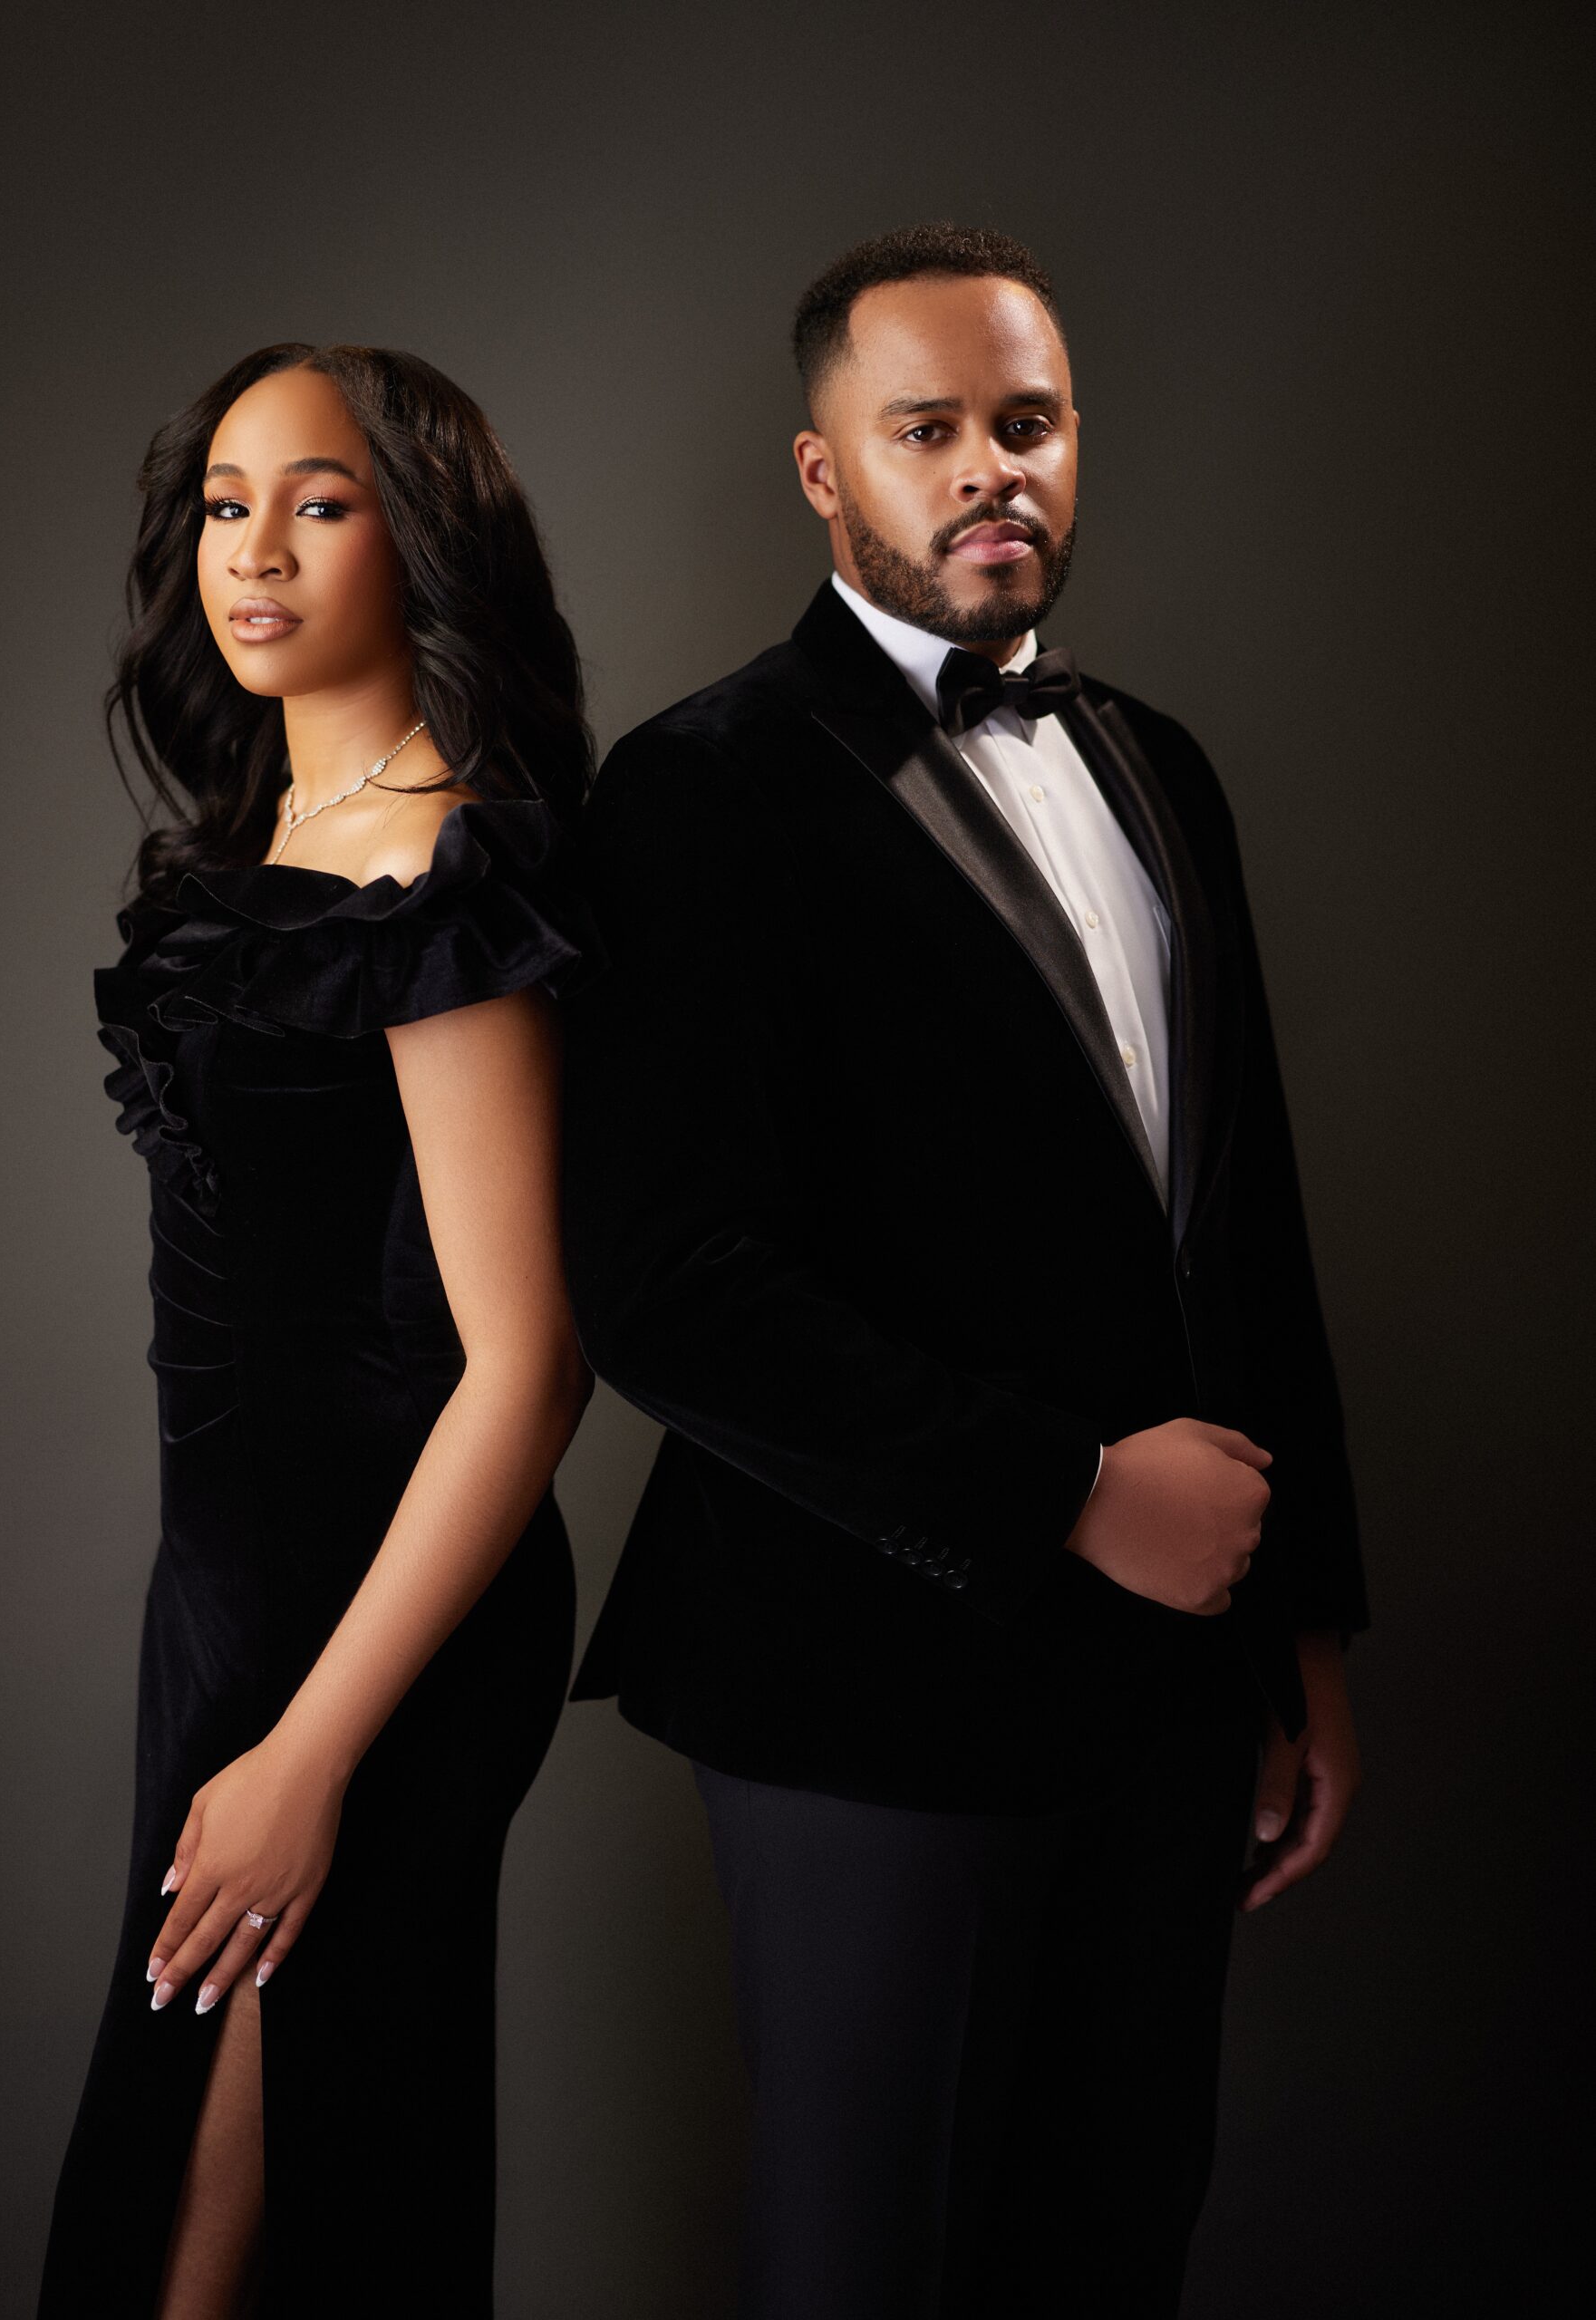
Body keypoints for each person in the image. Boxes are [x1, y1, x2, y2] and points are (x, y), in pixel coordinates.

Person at [559, 224, 1368, 2319]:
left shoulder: (1161, 765)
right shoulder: (697, 788)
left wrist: (1300, 1624)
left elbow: (1244, 1218)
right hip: (861, 1683)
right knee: (872, 2267)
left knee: (1114, 2244)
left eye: (1030, 421)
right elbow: (663, 1282)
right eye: (928, 429)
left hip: (1176, 1683)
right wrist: (1068, 1488)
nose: (993, 466)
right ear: (824, 470)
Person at [37, 343, 601, 2318]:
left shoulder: (433, 872)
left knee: (236, 2240)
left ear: (420, 537)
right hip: (226, 1601)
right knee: (188, 2211)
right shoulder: (265, 844)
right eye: (225, 504)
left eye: (321, 502)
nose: (254, 550)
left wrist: (309, 1752)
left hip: (376, 1629)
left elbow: (529, 1367)